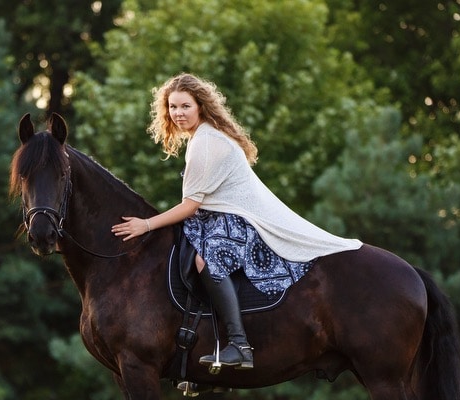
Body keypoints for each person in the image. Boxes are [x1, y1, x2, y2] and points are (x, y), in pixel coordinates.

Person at [112, 73, 361, 371]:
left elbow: (190, 207)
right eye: (173, 107)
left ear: (200, 106)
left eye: (185, 106)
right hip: (216, 216)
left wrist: (146, 224)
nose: (178, 114)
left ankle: (240, 345)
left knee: (206, 261)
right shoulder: (201, 137)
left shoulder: (205, 142)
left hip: (240, 219)